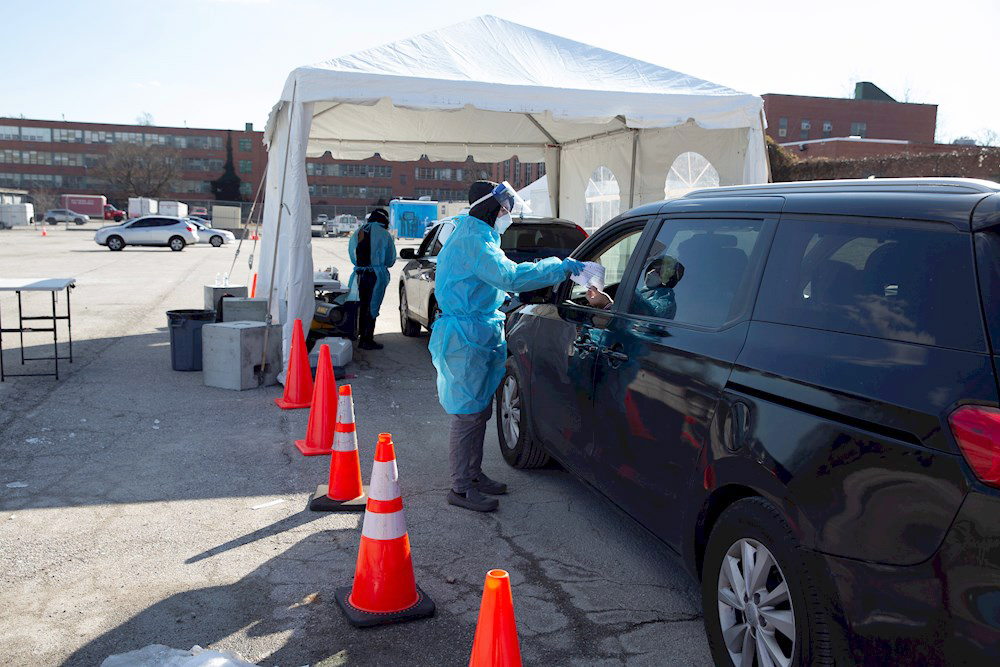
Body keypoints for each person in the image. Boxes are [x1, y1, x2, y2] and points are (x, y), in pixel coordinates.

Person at [430, 180, 585, 512]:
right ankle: (460, 486)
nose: (508, 216)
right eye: (504, 210)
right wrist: (561, 267)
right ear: (491, 208)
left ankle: (473, 475)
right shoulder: (473, 241)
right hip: (465, 335)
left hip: (475, 330)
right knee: (468, 415)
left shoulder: (479, 236)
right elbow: (511, 277)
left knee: (478, 413)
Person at [348, 208, 396, 350]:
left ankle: (359, 335)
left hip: (359, 274)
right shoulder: (384, 234)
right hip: (375, 275)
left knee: (361, 305)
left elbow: (352, 254)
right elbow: (390, 258)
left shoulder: (359, 231)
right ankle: (367, 338)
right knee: (373, 306)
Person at [585, 255, 684, 320]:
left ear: (668, 279)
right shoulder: (646, 291)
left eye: (658, 272)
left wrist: (605, 303)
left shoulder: (666, 298)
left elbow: (648, 314)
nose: (650, 273)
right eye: (651, 268)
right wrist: (608, 306)